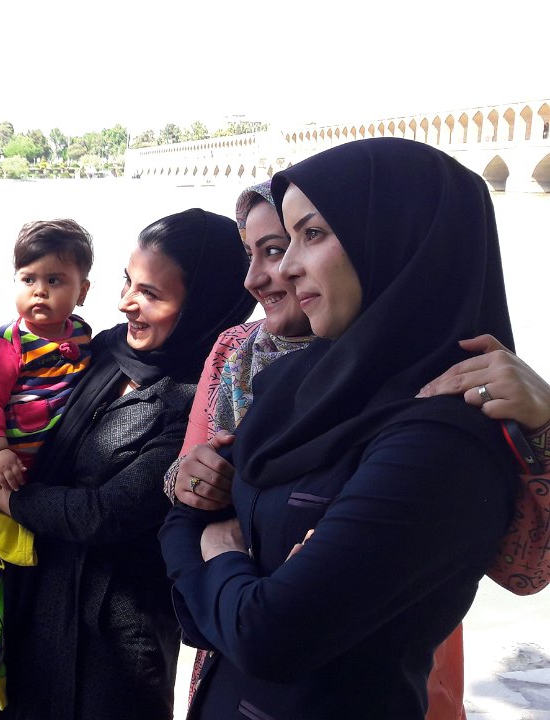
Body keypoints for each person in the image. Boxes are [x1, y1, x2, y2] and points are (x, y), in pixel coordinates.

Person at [160, 137, 521, 719]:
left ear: (395, 239)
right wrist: (222, 569)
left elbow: (269, 637)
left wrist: (221, 557)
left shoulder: (443, 437)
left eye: (312, 234)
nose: (285, 268)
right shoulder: (293, 386)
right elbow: (186, 528)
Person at [0, 208, 256, 719]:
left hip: (114, 639)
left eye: (151, 294)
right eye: (128, 281)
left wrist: (3, 497)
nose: (126, 303)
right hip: (35, 603)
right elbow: (29, 427)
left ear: (203, 304)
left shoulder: (202, 403)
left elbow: (106, 513)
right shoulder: (102, 351)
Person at [0, 219, 94, 490]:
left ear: (82, 291)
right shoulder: (9, 342)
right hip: (14, 462)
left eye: (54, 280)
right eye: (28, 279)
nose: (39, 291)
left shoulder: (82, 332)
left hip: (62, 457)